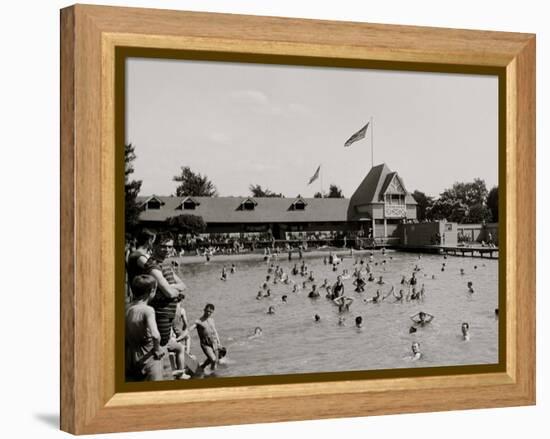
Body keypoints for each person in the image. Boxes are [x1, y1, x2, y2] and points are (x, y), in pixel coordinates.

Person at [145, 235, 187, 348]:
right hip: (160, 313)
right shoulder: (153, 265)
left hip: (168, 313)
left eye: (170, 247)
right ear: (155, 246)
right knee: (159, 345)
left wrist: (172, 285)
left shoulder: (165, 264)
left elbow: (183, 285)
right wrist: (174, 289)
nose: (167, 250)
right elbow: (170, 293)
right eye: (163, 246)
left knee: (164, 344)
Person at [125, 275, 164, 381]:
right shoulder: (148, 310)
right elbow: (155, 335)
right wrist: (157, 350)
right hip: (148, 358)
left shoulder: (126, 308)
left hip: (130, 358)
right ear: (151, 291)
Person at [126, 229, 156, 299]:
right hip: (141, 296)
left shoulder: (137, 254)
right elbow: (153, 270)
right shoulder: (138, 256)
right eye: (154, 240)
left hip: (140, 293)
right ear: (149, 241)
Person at [192, 304, 222, 372]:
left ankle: (203, 367)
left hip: (214, 342)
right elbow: (191, 328)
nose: (208, 313)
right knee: (213, 360)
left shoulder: (211, 320)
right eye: (207, 311)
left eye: (210, 312)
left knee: (215, 361)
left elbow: (215, 332)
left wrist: (219, 343)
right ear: (204, 310)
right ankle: (212, 376)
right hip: (205, 343)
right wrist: (185, 334)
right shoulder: (199, 321)